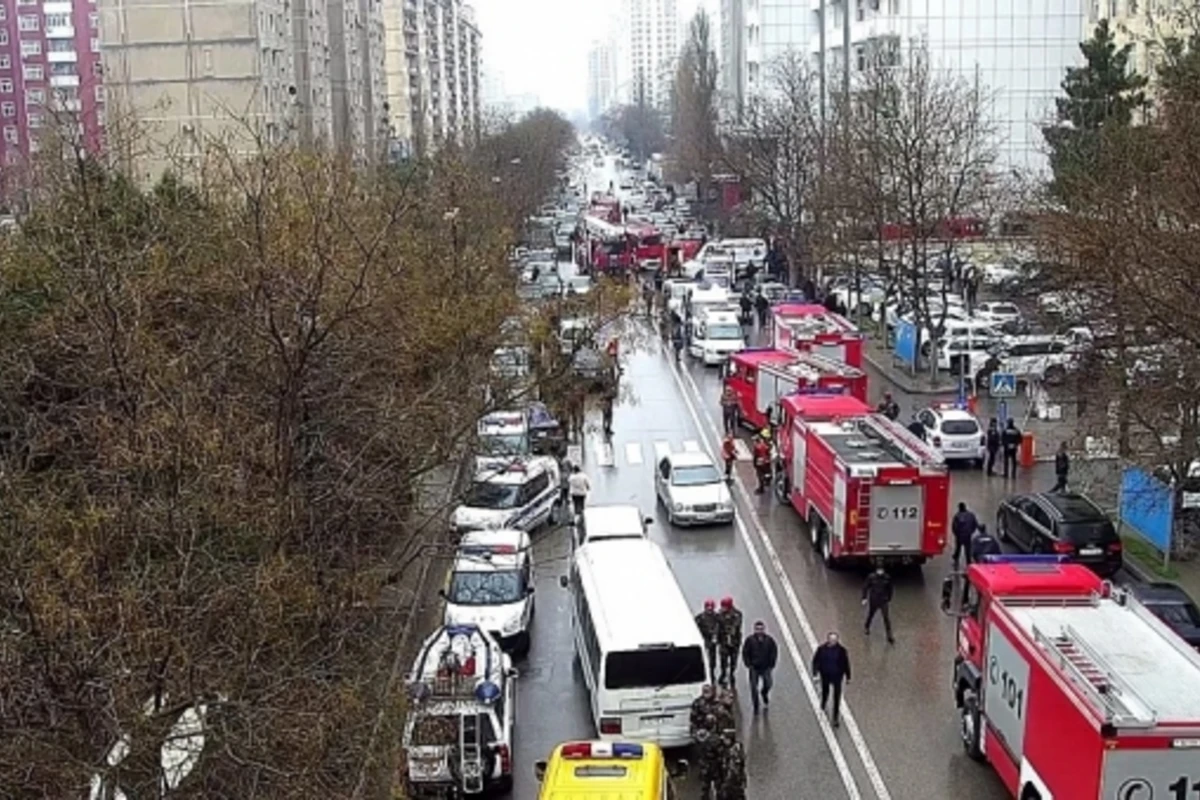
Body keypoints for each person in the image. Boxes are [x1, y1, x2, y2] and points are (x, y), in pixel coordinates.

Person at [812, 631, 851, 727]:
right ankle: (824, 702)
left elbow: (846, 664)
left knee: (836, 697)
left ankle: (835, 718)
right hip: (825, 675)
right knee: (825, 691)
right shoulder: (821, 649)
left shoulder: (842, 651)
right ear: (828, 639)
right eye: (832, 639)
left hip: (837, 677)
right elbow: (816, 661)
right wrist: (815, 673)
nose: (833, 641)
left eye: (835, 640)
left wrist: (848, 676)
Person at [741, 620, 779, 714]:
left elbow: (774, 652)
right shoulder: (750, 640)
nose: (759, 631)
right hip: (754, 668)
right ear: (754, 630)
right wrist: (748, 664)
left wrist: (771, 664)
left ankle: (764, 693)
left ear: (764, 629)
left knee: (768, 683)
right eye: (757, 629)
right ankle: (756, 707)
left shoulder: (769, 640)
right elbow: (745, 652)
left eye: (761, 629)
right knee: (753, 687)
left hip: (766, 667)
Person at [862, 567, 895, 644]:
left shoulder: (887, 578)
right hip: (874, 600)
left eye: (881, 570)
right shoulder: (871, 577)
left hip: (883, 600)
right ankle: (867, 626)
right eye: (879, 570)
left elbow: (890, 588)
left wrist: (889, 597)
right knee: (871, 614)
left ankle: (889, 635)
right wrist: (864, 597)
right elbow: (865, 587)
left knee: (886, 617)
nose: (880, 572)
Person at [716, 597, 743, 686]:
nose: (723, 608)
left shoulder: (737, 614)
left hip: (734, 643)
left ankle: (732, 673)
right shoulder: (720, 615)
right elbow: (718, 626)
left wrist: (730, 631)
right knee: (723, 659)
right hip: (723, 642)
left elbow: (735, 626)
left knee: (733, 660)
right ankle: (723, 673)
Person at [716, 730, 747, 800]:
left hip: (734, 783)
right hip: (731, 781)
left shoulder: (734, 752)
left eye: (725, 739)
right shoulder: (727, 748)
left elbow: (734, 770)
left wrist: (726, 784)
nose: (723, 741)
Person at [694, 722, 722, 799]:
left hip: (704, 765)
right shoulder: (715, 739)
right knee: (718, 785)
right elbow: (720, 751)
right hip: (714, 765)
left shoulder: (700, 737)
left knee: (705, 786)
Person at [695, 600, 721, 672]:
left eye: (711, 607)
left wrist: (717, 636)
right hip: (704, 640)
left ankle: (712, 672)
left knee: (712, 659)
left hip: (713, 641)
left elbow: (720, 627)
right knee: (703, 658)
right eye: (708, 607)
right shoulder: (700, 618)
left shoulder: (717, 617)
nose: (709, 609)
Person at [951, 502, 979, 566]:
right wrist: (971, 532)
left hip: (959, 535)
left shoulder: (957, 516)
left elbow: (954, 527)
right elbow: (974, 524)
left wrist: (956, 534)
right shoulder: (971, 515)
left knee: (958, 548)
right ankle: (968, 561)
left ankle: (956, 558)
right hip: (967, 535)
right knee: (968, 549)